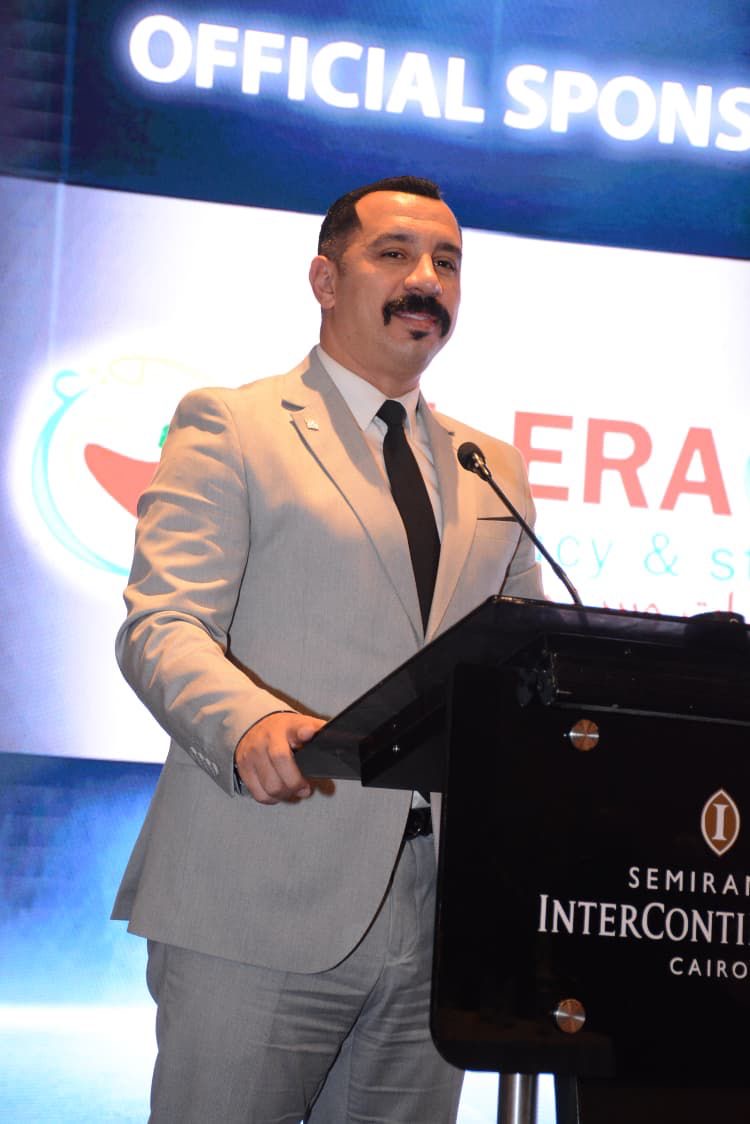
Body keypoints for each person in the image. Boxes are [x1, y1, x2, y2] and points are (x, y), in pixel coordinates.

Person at [113, 175, 543, 1123]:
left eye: (447, 263)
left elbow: (523, 670)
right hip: (258, 888)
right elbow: (162, 625)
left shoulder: (492, 467)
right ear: (324, 278)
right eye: (394, 254)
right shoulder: (233, 425)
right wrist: (248, 723)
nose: (426, 280)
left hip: (442, 914)